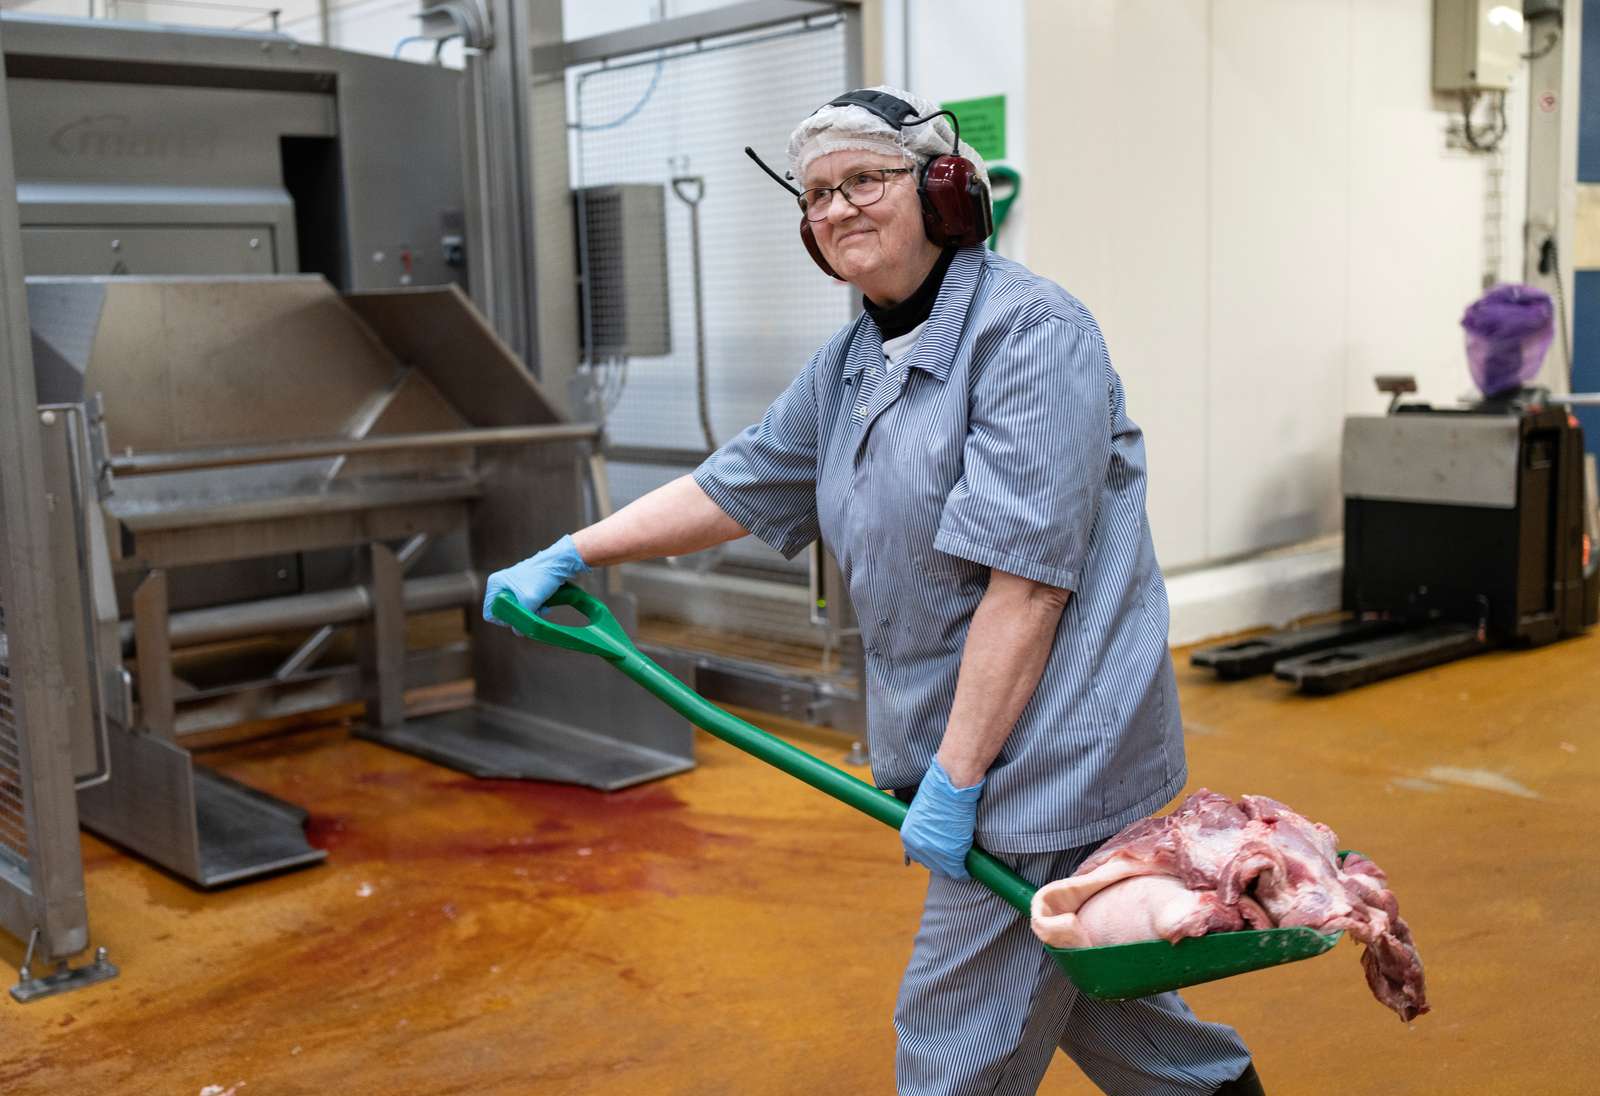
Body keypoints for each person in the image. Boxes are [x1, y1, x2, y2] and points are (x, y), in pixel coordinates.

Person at [484, 86, 1265, 1096]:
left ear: (942, 191)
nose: (838, 208)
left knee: (951, 1046)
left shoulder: (1031, 333)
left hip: (1046, 756)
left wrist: (958, 778)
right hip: (969, 745)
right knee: (1117, 1012)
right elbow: (737, 481)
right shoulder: (852, 361)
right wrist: (574, 550)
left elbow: (1028, 588)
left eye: (864, 180)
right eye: (817, 195)